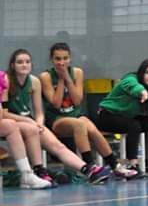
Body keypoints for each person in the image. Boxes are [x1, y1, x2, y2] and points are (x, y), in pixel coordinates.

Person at [4, 49, 112, 184]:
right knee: (32, 129)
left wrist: (39, 123)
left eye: (27, 62)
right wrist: (29, 121)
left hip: (30, 121)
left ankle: (88, 170)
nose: (24, 65)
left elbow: (39, 111)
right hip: (12, 121)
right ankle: (38, 171)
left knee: (57, 146)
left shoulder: (34, 81)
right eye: (20, 62)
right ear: (12, 65)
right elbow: (4, 113)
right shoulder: (6, 80)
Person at [39, 43, 136, 179]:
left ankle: (115, 166)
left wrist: (68, 78)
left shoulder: (77, 72)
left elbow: (77, 100)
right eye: (58, 59)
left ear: (70, 59)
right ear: (52, 60)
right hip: (57, 119)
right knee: (80, 124)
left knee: (91, 127)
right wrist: (61, 80)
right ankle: (90, 166)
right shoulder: (46, 76)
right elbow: (55, 103)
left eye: (65, 58)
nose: (62, 62)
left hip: (75, 114)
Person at [94, 59, 148, 176]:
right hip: (107, 115)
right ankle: (133, 165)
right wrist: (142, 92)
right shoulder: (130, 79)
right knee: (134, 125)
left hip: (127, 117)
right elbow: (132, 86)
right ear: (141, 73)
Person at [0, 71, 54, 189]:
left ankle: (27, 174)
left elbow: (1, 114)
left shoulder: (1, 78)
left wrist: (34, 122)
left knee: (11, 125)